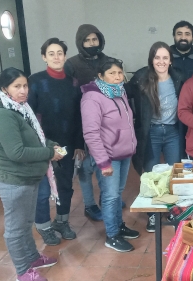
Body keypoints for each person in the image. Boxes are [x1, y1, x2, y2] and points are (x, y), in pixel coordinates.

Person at [0, 67, 60, 281]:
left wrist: (49, 145)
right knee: (16, 228)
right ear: (4, 89)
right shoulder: (3, 115)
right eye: (17, 86)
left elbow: (33, 140)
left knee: (26, 222)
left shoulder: (19, 108)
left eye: (25, 85)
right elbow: (16, 152)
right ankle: (22, 270)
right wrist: (48, 153)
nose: (23, 90)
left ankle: (32, 257)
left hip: (28, 178)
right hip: (14, 181)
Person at [125, 42, 186, 233]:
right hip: (150, 131)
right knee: (151, 174)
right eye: (157, 57)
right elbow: (124, 95)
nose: (161, 61)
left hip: (172, 132)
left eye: (165, 58)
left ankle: (173, 210)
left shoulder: (178, 78)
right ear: (152, 59)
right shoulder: (141, 78)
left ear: (170, 60)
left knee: (174, 172)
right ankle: (153, 214)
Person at [28, 38, 84, 246]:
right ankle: (44, 227)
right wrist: (41, 145)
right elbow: (29, 116)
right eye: (51, 53)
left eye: (60, 53)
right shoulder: (35, 81)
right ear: (44, 57)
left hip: (67, 143)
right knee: (42, 190)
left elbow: (78, 116)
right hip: (42, 145)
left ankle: (62, 221)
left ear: (65, 56)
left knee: (65, 186)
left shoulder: (73, 83)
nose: (56, 57)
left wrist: (79, 143)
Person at [81, 59, 140, 252]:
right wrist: (103, 162)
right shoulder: (92, 98)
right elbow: (91, 133)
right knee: (110, 196)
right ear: (100, 76)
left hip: (124, 153)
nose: (117, 77)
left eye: (119, 73)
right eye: (112, 73)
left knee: (117, 195)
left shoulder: (120, 92)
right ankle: (112, 235)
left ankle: (119, 226)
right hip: (109, 157)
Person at [64, 24, 111, 221]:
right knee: (85, 167)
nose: (92, 44)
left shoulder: (108, 61)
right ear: (80, 42)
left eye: (95, 39)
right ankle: (89, 204)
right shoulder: (72, 64)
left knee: (104, 164)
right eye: (87, 40)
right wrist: (76, 139)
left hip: (106, 124)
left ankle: (107, 198)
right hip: (81, 122)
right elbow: (69, 97)